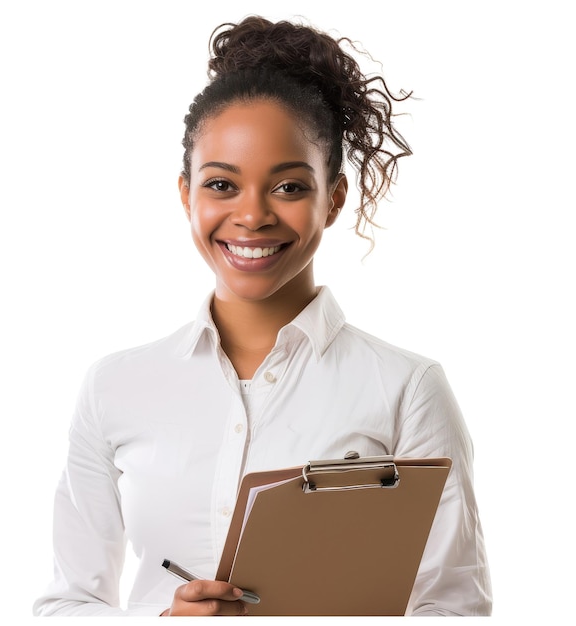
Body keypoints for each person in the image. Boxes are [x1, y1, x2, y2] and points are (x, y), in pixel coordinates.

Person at [33, 15, 492, 616]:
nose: (252, 216)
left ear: (333, 199)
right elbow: (67, 604)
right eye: (222, 185)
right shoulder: (115, 386)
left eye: (289, 187)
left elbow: (452, 608)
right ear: (185, 194)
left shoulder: (406, 388)